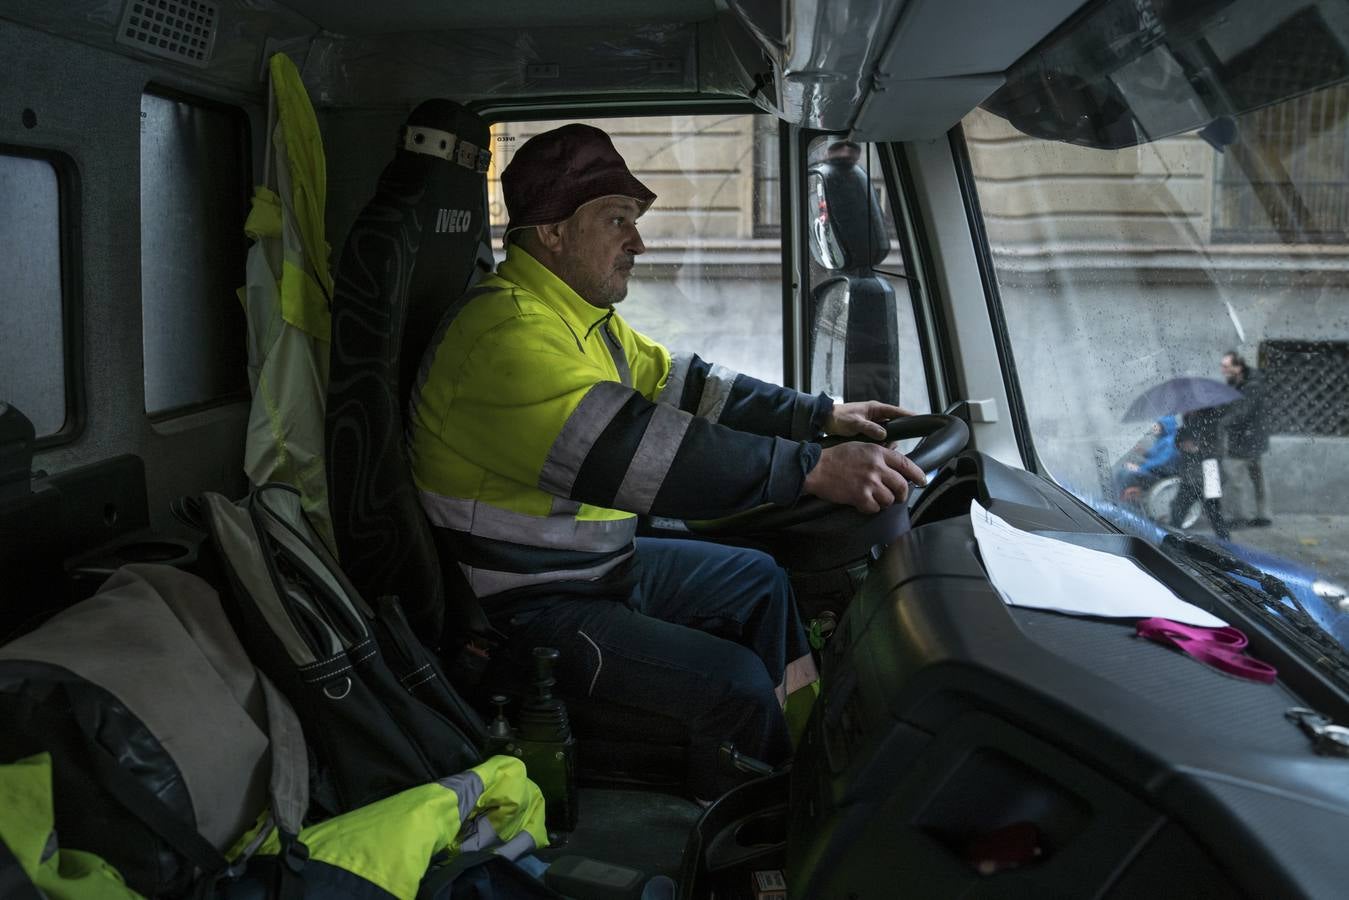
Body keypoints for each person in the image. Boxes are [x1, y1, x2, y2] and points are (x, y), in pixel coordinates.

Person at [407, 124, 926, 799]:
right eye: (615, 219)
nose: (638, 241)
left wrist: (819, 415)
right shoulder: (503, 338)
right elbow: (644, 454)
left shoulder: (576, 316)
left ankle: (805, 749)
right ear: (552, 232)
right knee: (733, 685)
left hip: (592, 573)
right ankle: (772, 819)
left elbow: (686, 385)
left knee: (758, 580)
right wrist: (811, 467)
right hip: (522, 614)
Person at [1220, 350, 1272, 526]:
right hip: (1244, 438)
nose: (1223, 369)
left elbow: (1242, 412)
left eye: (1226, 366)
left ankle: (1247, 516)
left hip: (1250, 437)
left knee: (1241, 478)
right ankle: (1259, 515)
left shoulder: (1253, 384)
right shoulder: (1234, 382)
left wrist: (1221, 422)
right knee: (1254, 478)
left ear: (1238, 366)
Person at [1169, 406, 1230, 541]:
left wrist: (1198, 448)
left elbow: (1218, 451)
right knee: (1178, 511)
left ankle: (1227, 545)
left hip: (1209, 472)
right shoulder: (1187, 422)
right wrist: (1181, 443)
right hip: (1192, 472)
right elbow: (1178, 441)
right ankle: (1170, 540)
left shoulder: (1213, 423)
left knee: (1214, 514)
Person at [1116, 415, 1180, 506]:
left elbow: (1162, 462)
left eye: (1157, 424)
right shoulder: (1163, 439)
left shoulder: (1169, 442)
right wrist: (1144, 452)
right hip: (1154, 471)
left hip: (1159, 475)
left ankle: (1122, 501)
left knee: (1126, 474)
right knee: (1124, 470)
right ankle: (1120, 497)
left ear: (1165, 426)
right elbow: (1156, 456)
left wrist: (1140, 468)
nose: (1154, 426)